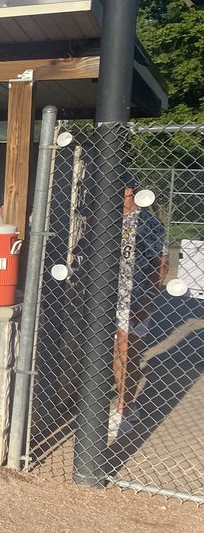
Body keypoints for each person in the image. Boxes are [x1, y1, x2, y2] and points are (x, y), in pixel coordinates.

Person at [113, 179, 169, 424]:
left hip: (134, 294)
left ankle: (127, 405)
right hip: (103, 294)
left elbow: (161, 263)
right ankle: (117, 397)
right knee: (114, 349)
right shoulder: (106, 217)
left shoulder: (148, 222)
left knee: (128, 350)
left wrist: (148, 297)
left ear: (131, 191)